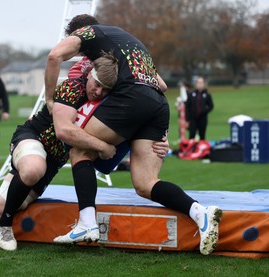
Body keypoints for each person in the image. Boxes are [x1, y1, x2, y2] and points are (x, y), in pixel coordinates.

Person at [0, 54, 169, 250]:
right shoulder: (73, 87)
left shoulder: (107, 103)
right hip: (31, 139)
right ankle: (5, 226)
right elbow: (64, 132)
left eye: (105, 89)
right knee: (34, 168)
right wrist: (103, 146)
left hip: (52, 162)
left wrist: (159, 138)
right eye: (97, 84)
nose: (98, 91)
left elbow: (153, 91)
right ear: (89, 73)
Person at [44, 15, 222, 255]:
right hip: (158, 105)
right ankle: (200, 213)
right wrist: (159, 133)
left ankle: (87, 223)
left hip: (133, 98)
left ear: (81, 32)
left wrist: (48, 97)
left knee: (80, 148)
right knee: (145, 184)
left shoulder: (88, 35)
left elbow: (54, 56)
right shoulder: (125, 42)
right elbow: (162, 86)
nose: (82, 56)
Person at [186, 77, 214, 141]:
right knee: (192, 135)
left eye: (201, 83)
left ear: (204, 84)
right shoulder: (191, 94)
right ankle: (191, 149)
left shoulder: (207, 95)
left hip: (202, 119)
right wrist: (187, 120)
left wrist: (204, 111)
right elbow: (187, 107)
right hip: (193, 119)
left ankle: (202, 150)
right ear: (196, 84)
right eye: (198, 83)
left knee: (202, 136)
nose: (199, 84)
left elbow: (211, 106)